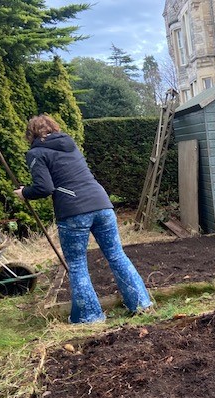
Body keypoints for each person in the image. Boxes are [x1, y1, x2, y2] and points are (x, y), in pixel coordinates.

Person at [14, 114, 153, 323]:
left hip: (73, 212)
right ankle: (141, 304)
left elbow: (45, 188)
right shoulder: (70, 145)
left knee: (77, 264)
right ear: (54, 128)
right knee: (116, 255)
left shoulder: (36, 153)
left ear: (31, 134)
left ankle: (90, 317)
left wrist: (25, 192)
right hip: (102, 205)